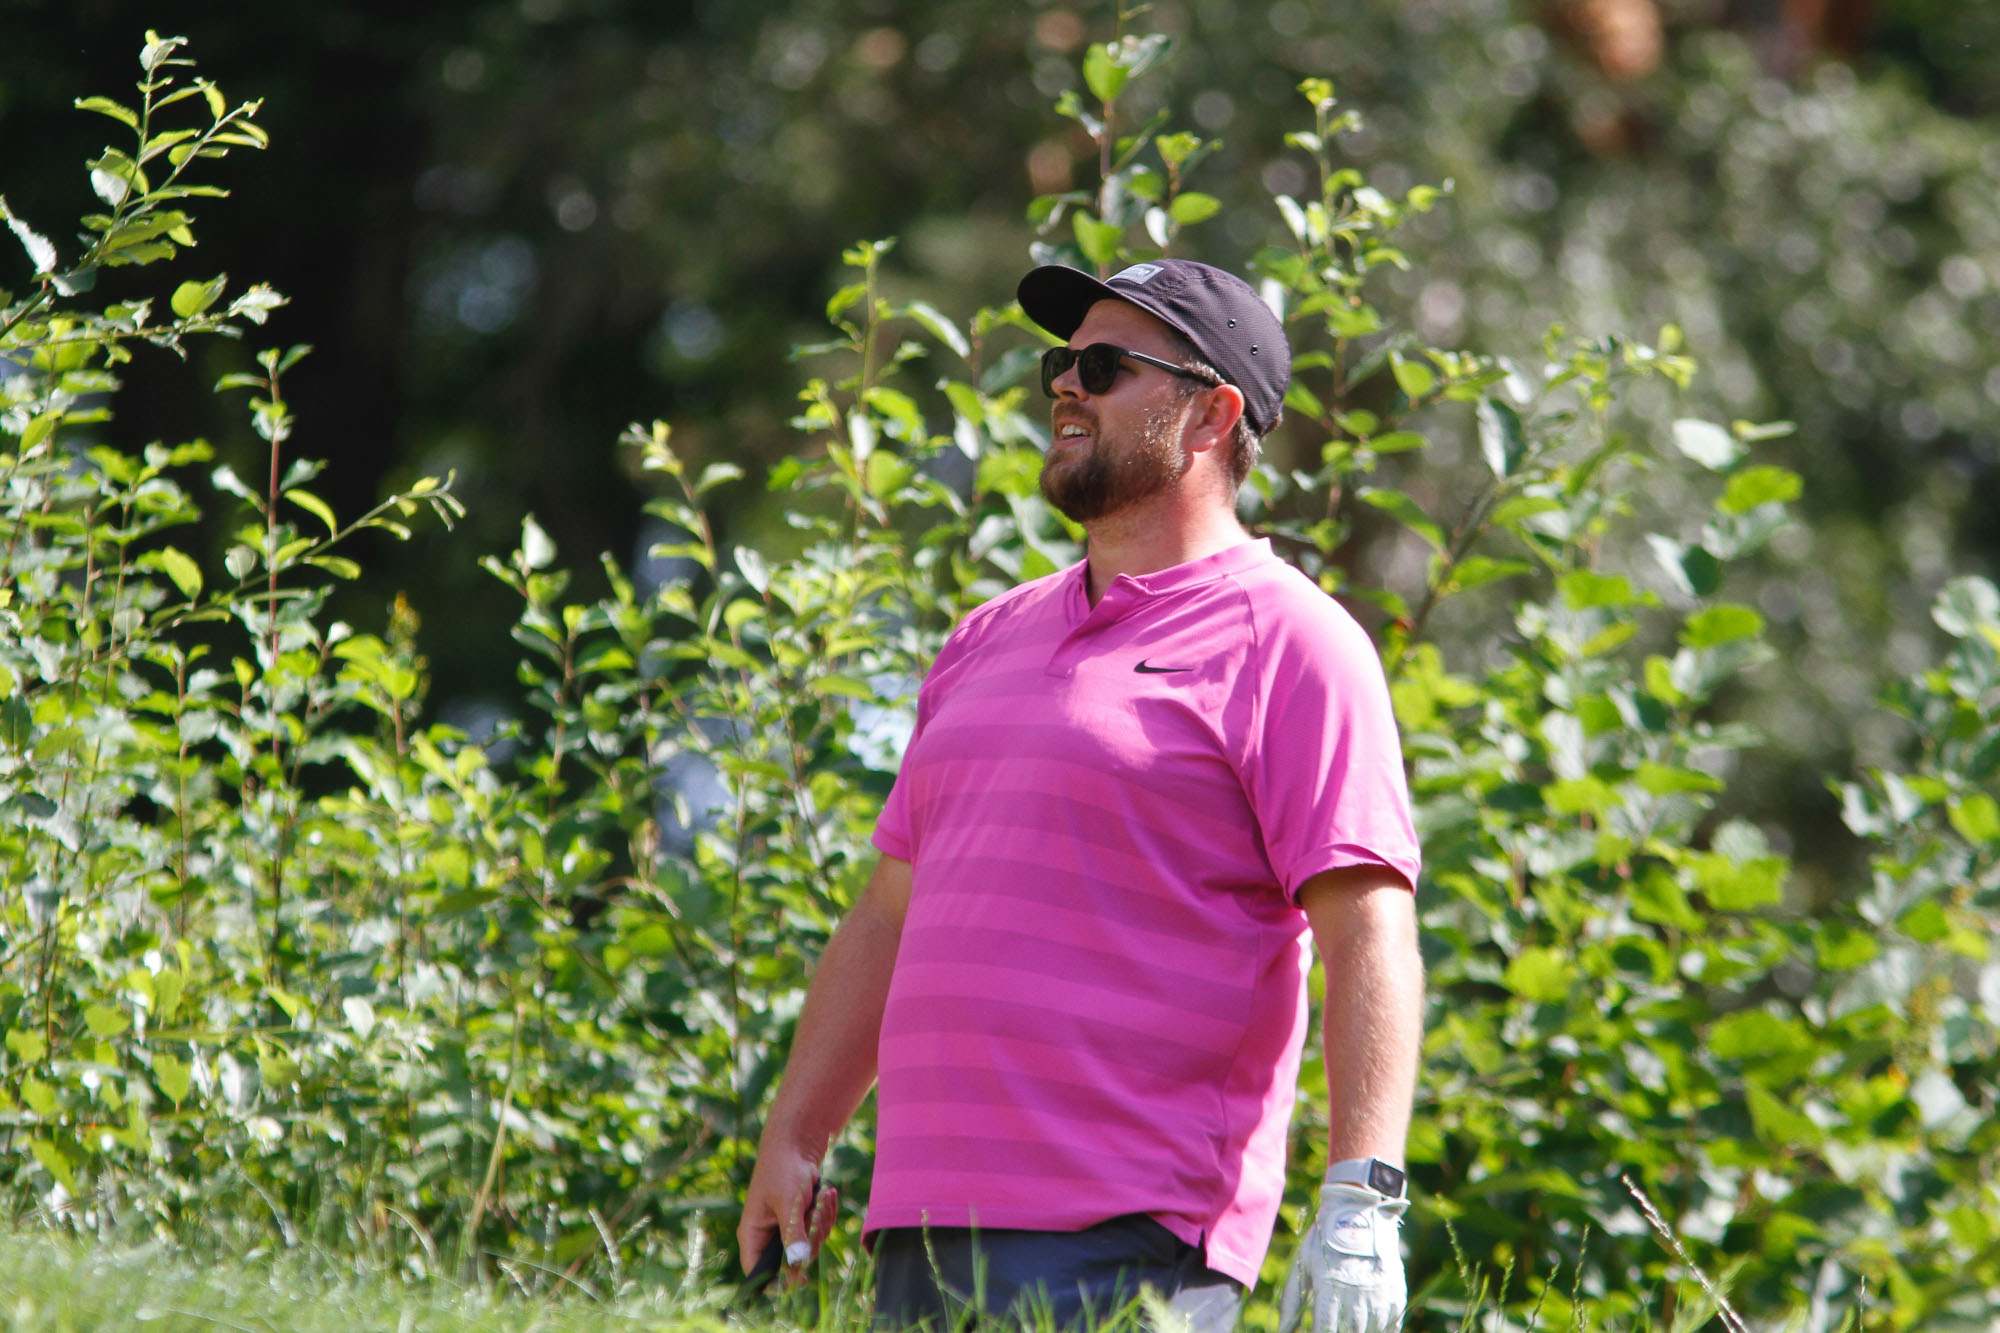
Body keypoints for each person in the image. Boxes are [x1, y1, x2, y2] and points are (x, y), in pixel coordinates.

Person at [737, 258, 1424, 1333]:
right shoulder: (986, 636)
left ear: (1211, 415)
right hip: (921, 1230)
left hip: (1132, 1236)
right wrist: (795, 1134)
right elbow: (889, 914)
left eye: (1103, 367)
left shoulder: (1293, 641)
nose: (1065, 383)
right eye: (1062, 361)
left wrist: (1361, 1200)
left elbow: (1368, 932)